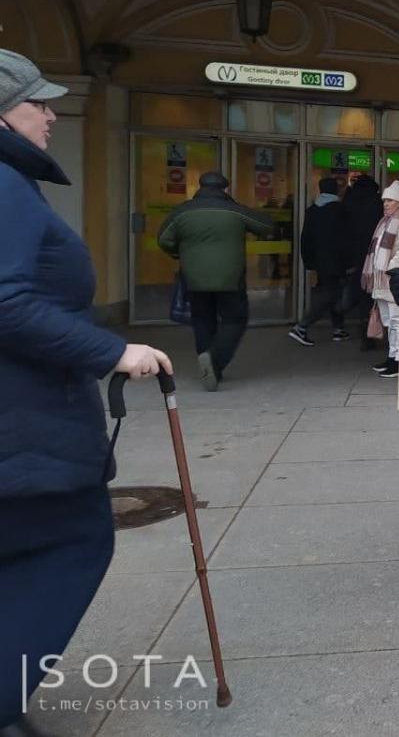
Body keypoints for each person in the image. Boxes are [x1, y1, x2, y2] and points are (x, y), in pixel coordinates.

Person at [0, 50, 171, 732]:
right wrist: (112, 349)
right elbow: (5, 300)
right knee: (72, 541)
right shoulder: (6, 185)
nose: (50, 113)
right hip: (23, 423)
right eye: (36, 103)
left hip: (24, 419)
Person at [157, 171, 273, 391]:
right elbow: (266, 226)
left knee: (202, 320)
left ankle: (207, 365)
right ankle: (214, 361)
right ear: (225, 189)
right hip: (230, 278)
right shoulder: (234, 211)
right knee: (235, 319)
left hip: (193, 277)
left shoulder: (182, 211)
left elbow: (164, 239)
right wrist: (235, 205)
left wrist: (178, 253)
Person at [288, 177, 353, 346]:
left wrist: (309, 261)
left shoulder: (312, 211)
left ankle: (338, 329)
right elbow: (346, 240)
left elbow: (306, 238)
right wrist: (349, 262)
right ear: (336, 191)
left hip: (319, 261)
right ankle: (301, 327)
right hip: (336, 261)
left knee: (333, 292)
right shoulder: (341, 210)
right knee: (329, 294)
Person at [363, 181, 399, 378]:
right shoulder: (384, 222)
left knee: (397, 321)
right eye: (384, 200)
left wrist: (389, 270)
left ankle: (398, 361)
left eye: (389, 200)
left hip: (391, 280)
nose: (385, 203)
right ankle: (391, 357)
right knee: (389, 321)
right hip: (381, 283)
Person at [343, 173, 385, 348]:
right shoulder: (377, 204)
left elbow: (344, 230)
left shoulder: (349, 202)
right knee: (376, 296)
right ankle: (375, 333)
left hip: (357, 255)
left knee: (363, 296)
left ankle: (365, 336)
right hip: (376, 256)